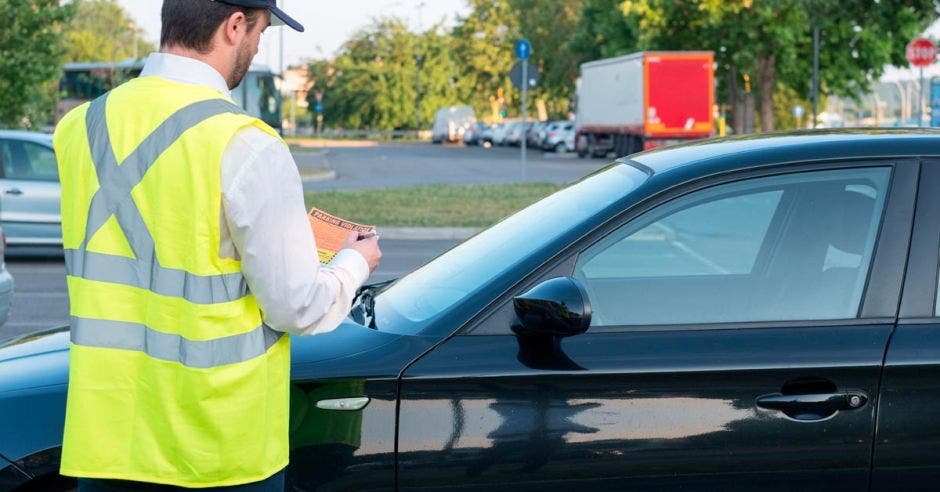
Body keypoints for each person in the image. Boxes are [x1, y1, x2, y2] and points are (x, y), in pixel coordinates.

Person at [53, 1, 382, 490]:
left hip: (106, 446)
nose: (255, 46)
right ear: (233, 26)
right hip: (219, 453)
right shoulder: (247, 144)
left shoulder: (79, 128)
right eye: (260, 33)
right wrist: (354, 262)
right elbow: (297, 307)